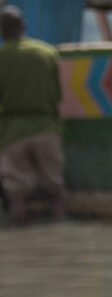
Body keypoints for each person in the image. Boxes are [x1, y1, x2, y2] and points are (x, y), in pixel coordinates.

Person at [0, 5, 66, 226]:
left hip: (12, 133)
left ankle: (21, 243)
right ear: (23, 26)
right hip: (47, 129)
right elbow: (58, 96)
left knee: (17, 194)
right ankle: (60, 235)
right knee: (55, 190)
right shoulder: (47, 53)